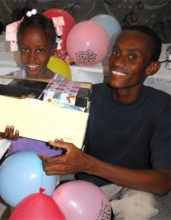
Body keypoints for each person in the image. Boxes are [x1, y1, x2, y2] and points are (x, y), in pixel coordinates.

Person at [39, 25, 171, 219]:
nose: (117, 62)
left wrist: (88, 165)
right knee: (42, 201)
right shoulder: (89, 95)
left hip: (133, 184)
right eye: (116, 52)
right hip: (89, 184)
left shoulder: (162, 106)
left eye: (132, 56)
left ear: (151, 68)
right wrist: (12, 132)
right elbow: (51, 130)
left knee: (140, 206)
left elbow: (163, 183)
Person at [0, 12, 65, 164]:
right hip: (16, 157)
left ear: (53, 49)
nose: (31, 57)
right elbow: (0, 120)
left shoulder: (62, 86)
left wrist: (62, 142)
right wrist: (3, 133)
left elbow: (68, 125)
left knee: (44, 188)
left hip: (49, 161)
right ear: (18, 47)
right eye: (25, 49)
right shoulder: (12, 82)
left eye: (40, 50)